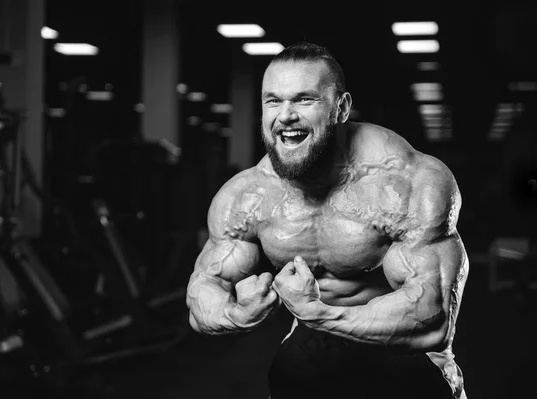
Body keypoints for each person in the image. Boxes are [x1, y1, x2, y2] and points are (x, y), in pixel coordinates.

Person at [185, 42, 469, 399]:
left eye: (304, 99)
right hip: (314, 345)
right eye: (273, 100)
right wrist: (237, 313)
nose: (285, 114)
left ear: (341, 108)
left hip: (404, 353)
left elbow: (433, 321)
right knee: (292, 369)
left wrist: (320, 315)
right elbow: (201, 298)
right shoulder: (247, 196)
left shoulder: (407, 181)